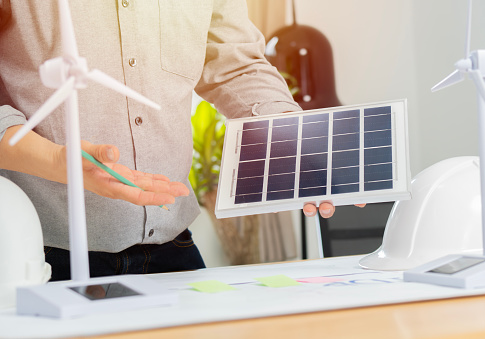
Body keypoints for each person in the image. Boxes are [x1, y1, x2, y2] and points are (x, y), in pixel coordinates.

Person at [0, 1, 339, 281]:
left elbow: (235, 64)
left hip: (173, 247)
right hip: (39, 256)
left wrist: (295, 139)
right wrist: (58, 161)